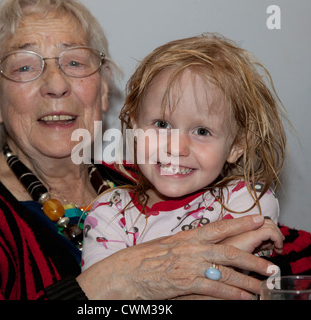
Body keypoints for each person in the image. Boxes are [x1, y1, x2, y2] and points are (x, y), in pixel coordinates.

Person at [0, 0, 283, 300]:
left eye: (74, 62)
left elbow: (281, 256)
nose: (56, 85)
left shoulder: (149, 174)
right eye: (25, 66)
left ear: (105, 90)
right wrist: (119, 279)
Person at [82, 34, 286, 271]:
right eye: (161, 124)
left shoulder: (245, 200)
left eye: (202, 131)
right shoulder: (110, 213)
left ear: (235, 147)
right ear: (135, 128)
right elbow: (103, 296)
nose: (176, 148)